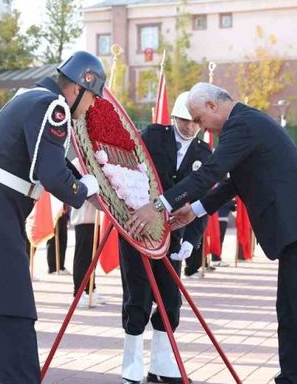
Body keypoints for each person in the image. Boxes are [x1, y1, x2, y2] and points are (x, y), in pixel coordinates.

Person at [127, 83, 297, 384]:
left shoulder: (243, 125)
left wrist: (159, 205)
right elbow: (234, 183)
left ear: (213, 106)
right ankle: (290, 379)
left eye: (200, 119)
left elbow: (211, 172)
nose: (200, 128)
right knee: (291, 313)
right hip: (296, 229)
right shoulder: (243, 124)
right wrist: (195, 210)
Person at [0, 52, 105, 384]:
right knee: (16, 337)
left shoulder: (29, 98)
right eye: (93, 97)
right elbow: (55, 175)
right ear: (78, 87)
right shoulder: (54, 108)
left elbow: (48, 159)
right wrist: (87, 187)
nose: (92, 106)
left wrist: (87, 188)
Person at [118, 91, 211, 384]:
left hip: (174, 235)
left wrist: (191, 240)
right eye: (183, 120)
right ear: (172, 118)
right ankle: (130, 364)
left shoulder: (204, 154)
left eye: (194, 121)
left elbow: (203, 201)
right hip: (140, 231)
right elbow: (128, 170)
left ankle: (161, 364)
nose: (188, 127)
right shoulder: (153, 137)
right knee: (138, 296)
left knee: (170, 300)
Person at [69, 196, 106, 306]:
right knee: (83, 257)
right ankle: (78, 294)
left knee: (92, 258)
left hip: (96, 218)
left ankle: (90, 289)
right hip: (83, 217)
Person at [46, 204, 70, 274]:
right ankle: (52, 267)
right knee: (53, 238)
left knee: (63, 239)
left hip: (63, 210)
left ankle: (60, 265)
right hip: (54, 209)